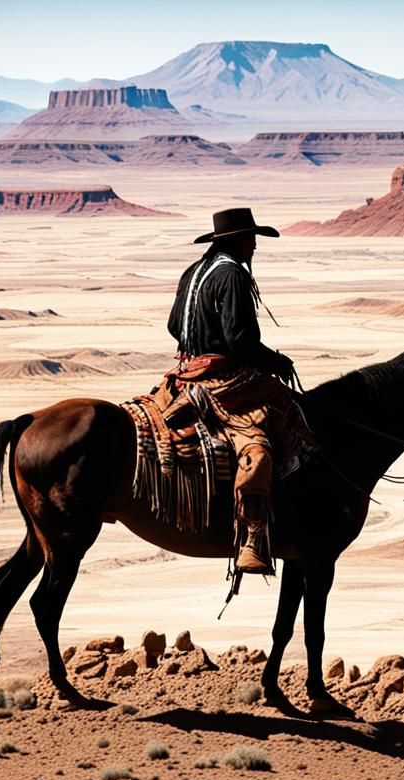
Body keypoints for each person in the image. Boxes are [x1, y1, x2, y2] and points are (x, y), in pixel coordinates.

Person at [166, 207, 307, 576]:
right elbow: (239, 340)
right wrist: (275, 362)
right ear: (237, 240)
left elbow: (171, 326)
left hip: (185, 371)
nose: (255, 246)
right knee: (258, 443)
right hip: (221, 378)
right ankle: (254, 537)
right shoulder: (231, 275)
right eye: (252, 238)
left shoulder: (193, 272)